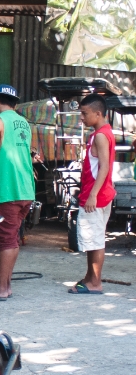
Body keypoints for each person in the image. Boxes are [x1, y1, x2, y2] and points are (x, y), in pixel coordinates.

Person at [0, 84, 36, 301]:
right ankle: (6, 285)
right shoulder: (23, 122)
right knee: (12, 238)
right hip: (25, 189)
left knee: (5, 240)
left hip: (7, 188)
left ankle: (1, 288)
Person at [68, 94, 116, 294]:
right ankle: (90, 277)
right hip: (98, 194)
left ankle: (95, 282)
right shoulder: (103, 133)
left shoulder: (101, 135)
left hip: (95, 196)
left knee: (95, 240)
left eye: (84, 113)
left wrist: (93, 195)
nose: (82, 117)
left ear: (98, 113)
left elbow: (104, 167)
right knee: (92, 238)